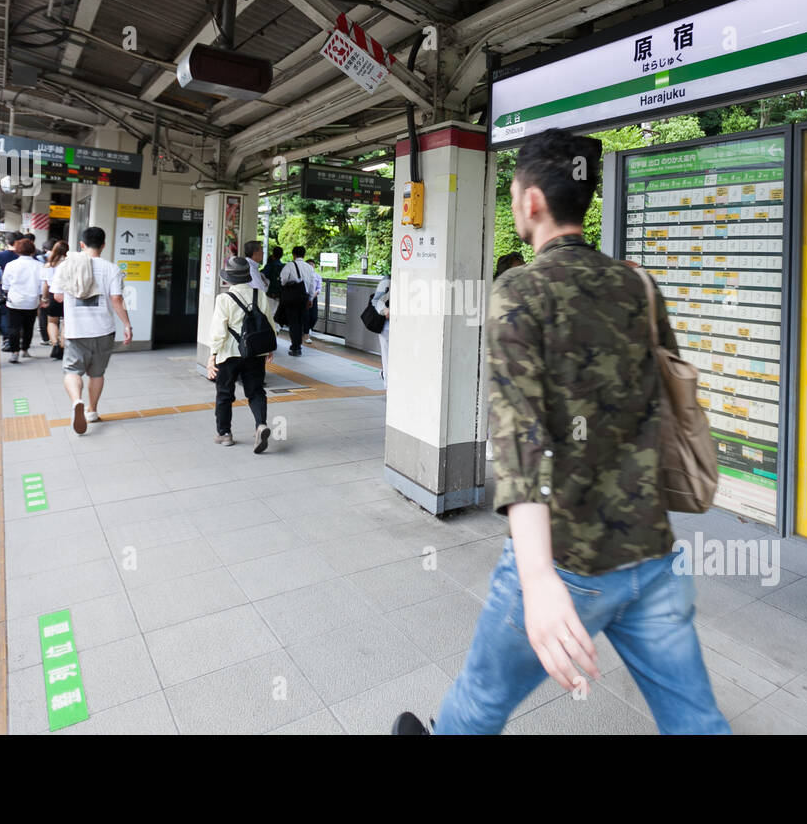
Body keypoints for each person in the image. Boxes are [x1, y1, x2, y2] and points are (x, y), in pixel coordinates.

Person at [394, 129, 729, 736]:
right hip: (650, 552)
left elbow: (520, 443)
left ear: (530, 203)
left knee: (481, 699)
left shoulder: (519, 292)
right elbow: (667, 396)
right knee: (696, 721)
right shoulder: (638, 285)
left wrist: (540, 578)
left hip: (569, 555)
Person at [49, 226, 131, 435]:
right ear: (104, 245)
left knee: (71, 370)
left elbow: (57, 297)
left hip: (76, 330)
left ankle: (77, 400)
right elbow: (116, 299)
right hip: (103, 329)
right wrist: (127, 325)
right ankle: (92, 411)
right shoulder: (111, 268)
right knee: (97, 373)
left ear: (82, 245)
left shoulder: (66, 266)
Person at [205, 256, 277, 452]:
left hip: (229, 354)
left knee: (225, 394)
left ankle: (224, 434)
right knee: (256, 392)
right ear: (247, 277)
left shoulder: (224, 299)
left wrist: (212, 355)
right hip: (255, 353)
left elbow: (218, 332)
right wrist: (269, 348)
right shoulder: (259, 294)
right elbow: (269, 323)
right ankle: (260, 424)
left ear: (229, 279)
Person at [0, 238, 42, 362]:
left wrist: (9, 293)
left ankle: (14, 352)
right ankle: (25, 349)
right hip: (32, 302)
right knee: (28, 327)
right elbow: (42, 285)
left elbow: (5, 285)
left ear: (17, 251)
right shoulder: (39, 265)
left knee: (14, 328)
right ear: (32, 251)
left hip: (14, 301)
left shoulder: (11, 265)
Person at [276, 246, 317, 357]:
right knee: (300, 321)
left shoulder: (289, 265)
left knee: (293, 322)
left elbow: (283, 279)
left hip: (292, 297)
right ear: (304, 255)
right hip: (304, 298)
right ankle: (297, 344)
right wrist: (310, 299)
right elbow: (313, 284)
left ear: (293, 254)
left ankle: (296, 347)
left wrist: (287, 284)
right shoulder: (309, 267)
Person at [41, 240, 68, 361]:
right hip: (67, 296)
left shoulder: (49, 265)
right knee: (66, 323)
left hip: (53, 295)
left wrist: (44, 298)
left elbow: (46, 284)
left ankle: (55, 345)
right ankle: (63, 347)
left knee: (52, 322)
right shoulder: (69, 264)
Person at [371, 273, 391, 383]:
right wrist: (384, 310)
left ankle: (386, 376)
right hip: (387, 326)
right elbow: (376, 300)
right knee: (387, 357)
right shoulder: (388, 279)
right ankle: (388, 385)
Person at [304, 258, 323, 344]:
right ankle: (306, 334)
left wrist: (313, 295)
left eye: (312, 265)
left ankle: (307, 329)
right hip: (305, 298)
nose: (311, 266)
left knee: (314, 317)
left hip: (314, 298)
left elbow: (319, 288)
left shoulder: (317, 276)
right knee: (306, 316)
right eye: (309, 265)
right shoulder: (303, 276)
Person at [262, 245, 284, 319]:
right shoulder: (284, 266)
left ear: (273, 253)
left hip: (270, 293)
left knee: (269, 314)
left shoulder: (269, 266)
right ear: (282, 255)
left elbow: (262, 276)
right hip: (280, 294)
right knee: (276, 314)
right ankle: (276, 329)